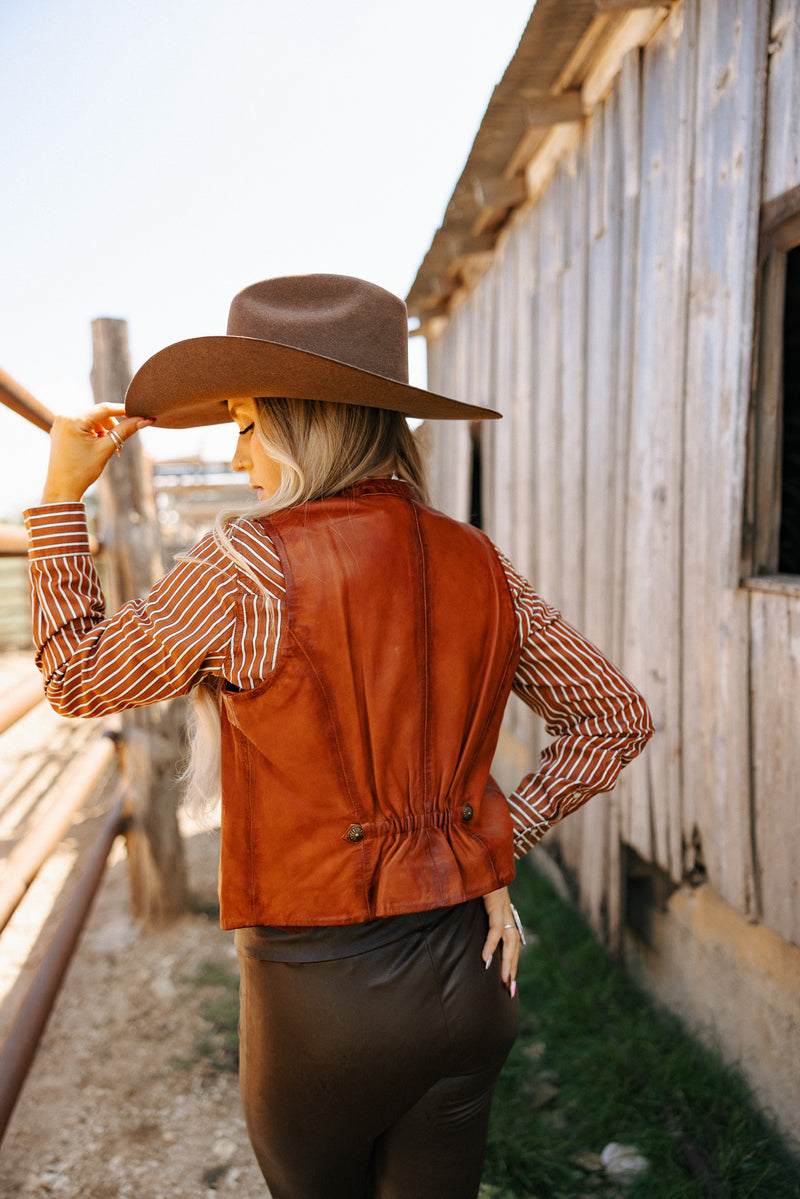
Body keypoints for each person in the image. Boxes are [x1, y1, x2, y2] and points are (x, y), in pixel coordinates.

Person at [25, 274, 653, 1199]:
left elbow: (78, 679)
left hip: (321, 1004)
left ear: (297, 421)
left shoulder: (248, 563)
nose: (239, 459)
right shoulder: (480, 556)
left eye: (244, 424)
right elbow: (614, 717)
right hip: (472, 977)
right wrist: (492, 845)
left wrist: (58, 498)